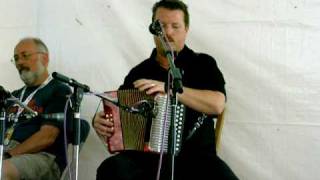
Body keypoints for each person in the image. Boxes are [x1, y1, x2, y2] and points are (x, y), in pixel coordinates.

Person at [93, 0, 238, 179]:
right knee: (112, 169)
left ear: (186, 29)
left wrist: (170, 90)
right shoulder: (139, 72)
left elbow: (217, 104)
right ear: (153, 30)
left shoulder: (203, 64)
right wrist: (103, 123)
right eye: (161, 26)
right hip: (144, 160)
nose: (168, 33)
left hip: (196, 158)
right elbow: (119, 117)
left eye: (175, 26)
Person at [3, 37, 71, 180]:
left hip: (41, 155)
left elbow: (47, 137)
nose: (19, 62)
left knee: (1, 171)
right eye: (16, 58)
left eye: (25, 55)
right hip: (7, 150)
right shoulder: (13, 96)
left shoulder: (59, 90)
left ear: (45, 59)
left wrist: (8, 155)